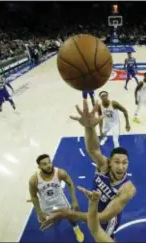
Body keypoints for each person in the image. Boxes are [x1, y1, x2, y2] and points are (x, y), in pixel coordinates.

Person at [40, 100, 136, 241]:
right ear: (110, 162)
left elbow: (102, 218)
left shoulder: (128, 189)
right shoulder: (104, 166)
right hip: (94, 205)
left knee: (101, 236)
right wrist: (89, 128)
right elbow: (93, 149)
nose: (121, 167)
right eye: (116, 162)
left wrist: (67, 214)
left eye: (124, 163)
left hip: (106, 220)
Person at [29, 154, 84, 242]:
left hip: (60, 202)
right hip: (46, 205)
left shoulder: (60, 173)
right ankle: (56, 230)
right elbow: (33, 196)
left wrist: (74, 200)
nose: (49, 166)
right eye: (44, 164)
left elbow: (70, 183)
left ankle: (76, 228)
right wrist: (39, 212)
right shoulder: (34, 180)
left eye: (49, 162)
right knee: (49, 223)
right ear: (39, 167)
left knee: (70, 216)